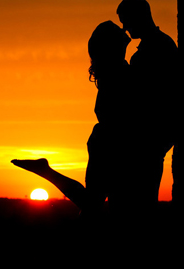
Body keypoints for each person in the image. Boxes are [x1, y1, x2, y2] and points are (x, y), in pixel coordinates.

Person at [12, 20, 132, 219]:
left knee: (93, 204)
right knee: (95, 205)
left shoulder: (111, 71)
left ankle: (46, 171)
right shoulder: (119, 73)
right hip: (111, 145)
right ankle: (46, 172)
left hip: (105, 142)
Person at [115, 0, 178, 210]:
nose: (124, 28)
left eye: (126, 20)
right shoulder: (158, 46)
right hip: (150, 138)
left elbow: (146, 97)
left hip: (150, 137)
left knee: (140, 203)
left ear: (139, 17)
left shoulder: (158, 48)